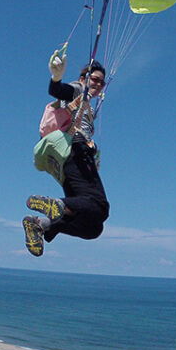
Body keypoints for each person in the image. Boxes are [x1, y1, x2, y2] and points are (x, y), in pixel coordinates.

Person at [24, 52, 110, 256]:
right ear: (84, 79)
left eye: (102, 83)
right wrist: (56, 76)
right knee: (99, 206)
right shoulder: (79, 90)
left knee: (93, 228)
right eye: (95, 80)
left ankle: (42, 225)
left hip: (68, 162)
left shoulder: (87, 104)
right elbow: (58, 90)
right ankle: (57, 205)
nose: (98, 85)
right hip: (75, 151)